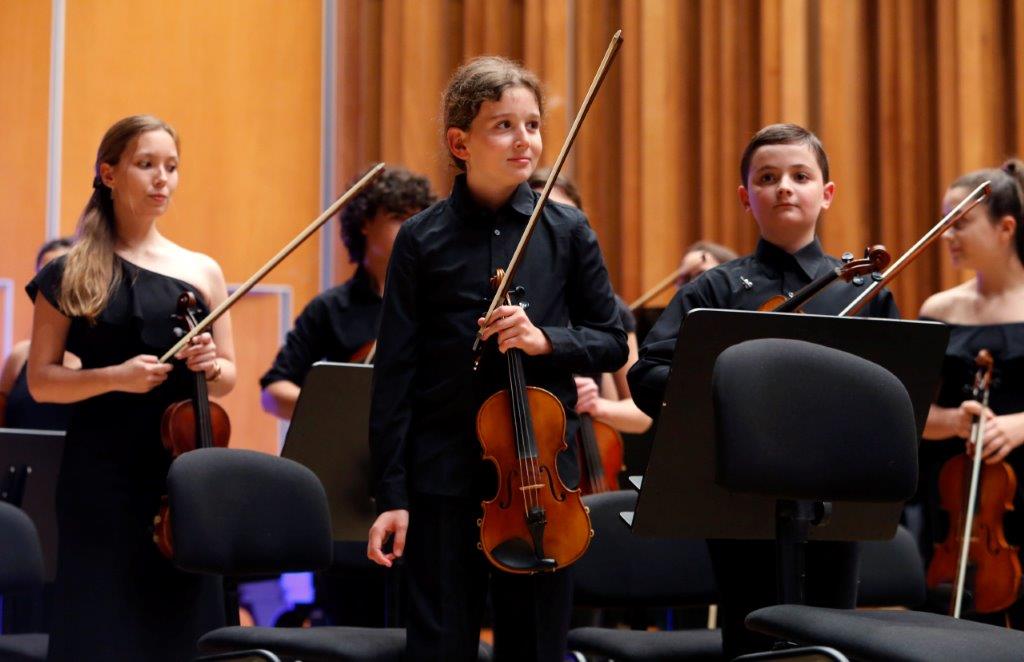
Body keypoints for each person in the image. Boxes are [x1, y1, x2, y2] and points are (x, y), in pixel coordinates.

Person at [366, 56, 627, 660]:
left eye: (532, 125)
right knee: (440, 646)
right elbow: (396, 377)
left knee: (535, 648)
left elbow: (611, 339)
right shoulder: (421, 240)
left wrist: (546, 341)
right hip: (443, 479)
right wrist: (393, 496)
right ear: (460, 142)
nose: (525, 140)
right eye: (503, 125)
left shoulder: (567, 230)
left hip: (539, 480)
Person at [628, 123, 899, 658]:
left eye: (801, 176)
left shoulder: (865, 293)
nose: (784, 188)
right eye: (768, 177)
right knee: (750, 639)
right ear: (745, 197)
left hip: (834, 496)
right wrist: (737, 393)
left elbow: (896, 391)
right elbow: (649, 375)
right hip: (738, 497)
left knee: (829, 640)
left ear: (826, 194)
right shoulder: (716, 290)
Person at [26, 115, 236, 661]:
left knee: (182, 626)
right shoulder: (72, 270)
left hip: (181, 475)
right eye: (146, 165)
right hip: (101, 477)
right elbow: (42, 382)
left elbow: (230, 376)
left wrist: (210, 363)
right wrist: (116, 377)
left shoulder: (203, 271)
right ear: (109, 172)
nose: (161, 179)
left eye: (171, 167)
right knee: (103, 629)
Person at [917, 159, 1024, 628]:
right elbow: (912, 415)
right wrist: (954, 421)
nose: (948, 235)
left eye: (960, 223)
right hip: (955, 503)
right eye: (945, 224)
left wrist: (1021, 425)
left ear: (1005, 228)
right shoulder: (938, 310)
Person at [260, 166, 436, 421]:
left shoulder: (439, 299)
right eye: (399, 217)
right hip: (354, 450)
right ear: (365, 222)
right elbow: (273, 393)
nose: (413, 229)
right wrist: (339, 410)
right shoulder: (330, 308)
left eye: (419, 219)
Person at [527, 167, 651, 438]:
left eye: (562, 219)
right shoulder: (513, 303)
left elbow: (642, 415)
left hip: (581, 455)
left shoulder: (612, 310)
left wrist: (598, 406)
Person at [0, 238, 78, 430]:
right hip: (20, 459)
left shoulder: (97, 359)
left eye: (64, 276)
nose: (55, 287)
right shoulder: (19, 356)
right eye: (47, 276)